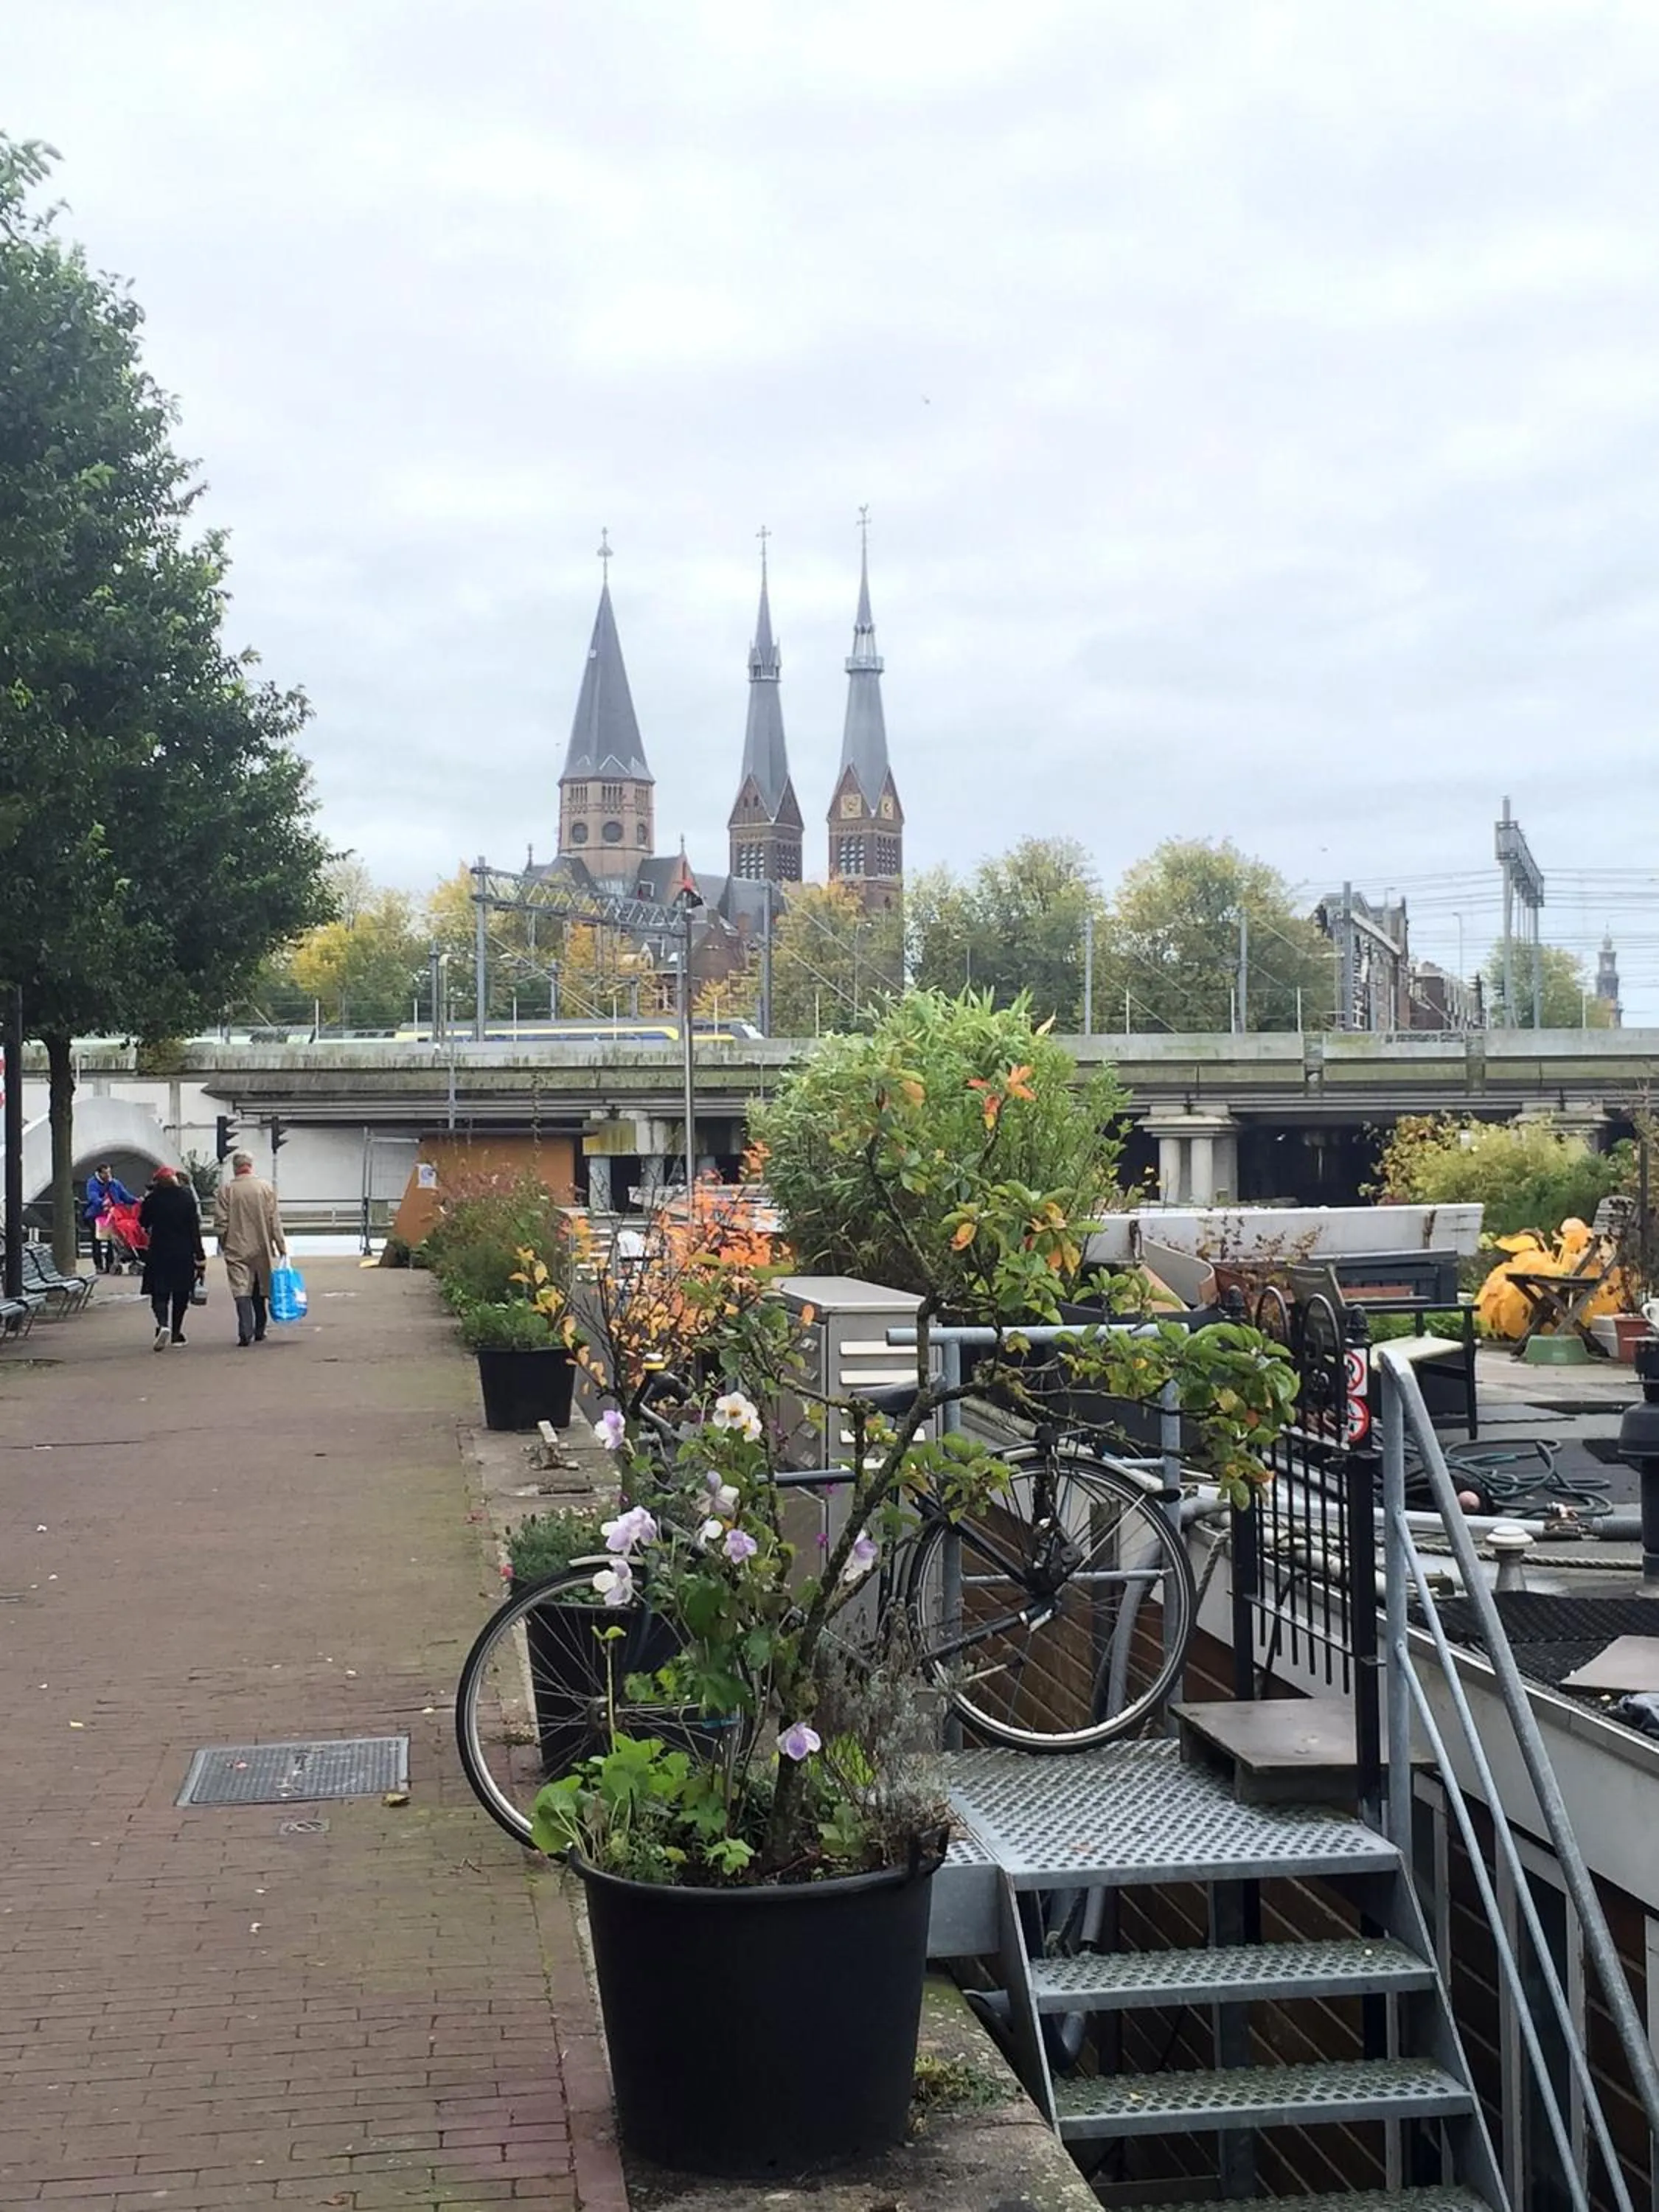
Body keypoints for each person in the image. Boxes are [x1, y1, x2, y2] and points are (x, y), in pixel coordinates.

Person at [213, 1150, 288, 1347]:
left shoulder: (227, 1190)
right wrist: (281, 1246)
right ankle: (260, 1330)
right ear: (251, 1165)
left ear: (234, 1167)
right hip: (261, 1246)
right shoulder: (265, 1188)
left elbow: (221, 1222)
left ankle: (245, 1330)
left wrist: (224, 1243)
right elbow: (274, 1221)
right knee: (260, 1288)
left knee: (241, 1289)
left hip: (236, 1247)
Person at [137, 1167, 205, 1351]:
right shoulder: (186, 1198)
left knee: (159, 1292)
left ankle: (163, 1324)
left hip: (159, 1251)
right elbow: (194, 1230)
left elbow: (143, 1222)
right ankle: (176, 1334)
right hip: (183, 1252)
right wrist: (200, 1256)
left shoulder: (153, 1200)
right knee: (181, 1293)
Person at [83, 1162, 136, 1275]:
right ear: (99, 1174)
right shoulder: (92, 1183)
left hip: (112, 1214)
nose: (108, 1175)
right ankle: (99, 1265)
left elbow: (125, 1196)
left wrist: (136, 1201)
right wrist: (102, 1203)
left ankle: (109, 1263)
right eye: (105, 1173)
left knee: (112, 1240)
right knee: (97, 1239)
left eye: (109, 1173)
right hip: (97, 1215)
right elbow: (93, 1196)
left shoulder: (115, 1183)